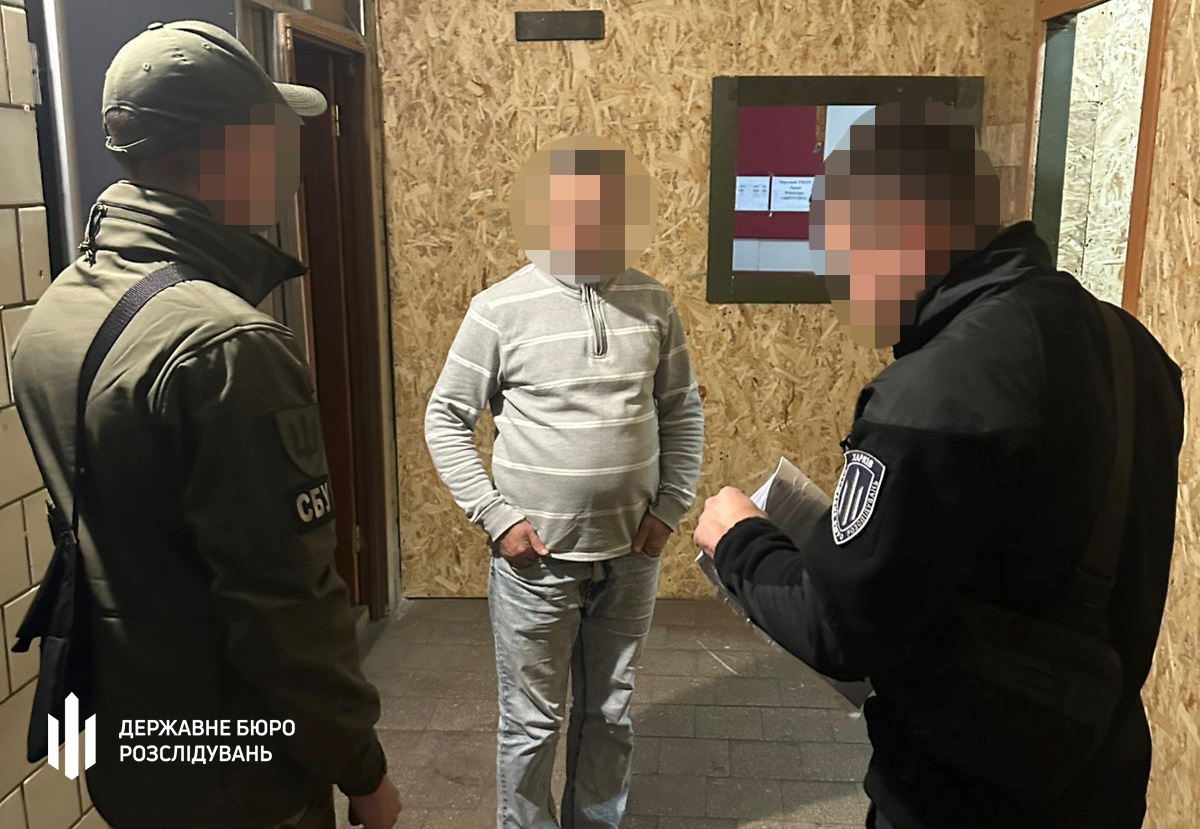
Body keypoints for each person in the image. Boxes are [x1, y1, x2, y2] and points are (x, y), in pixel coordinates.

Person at [693, 101, 1184, 829]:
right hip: (1096, 770)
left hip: (963, 790)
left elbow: (839, 627)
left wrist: (739, 540)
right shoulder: (1131, 349)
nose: (838, 284)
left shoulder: (935, 389)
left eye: (843, 253)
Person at [10, 21, 401, 829]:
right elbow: (286, 608)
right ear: (227, 149)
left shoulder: (54, 315)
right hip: (236, 768)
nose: (288, 161)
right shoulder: (228, 345)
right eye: (274, 136)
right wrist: (361, 768)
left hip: (128, 740)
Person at [424, 134, 704, 829]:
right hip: (536, 564)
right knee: (532, 722)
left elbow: (681, 410)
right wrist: (497, 518)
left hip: (631, 556)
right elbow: (445, 416)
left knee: (610, 713)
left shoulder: (653, 301)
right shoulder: (499, 308)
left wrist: (669, 508)